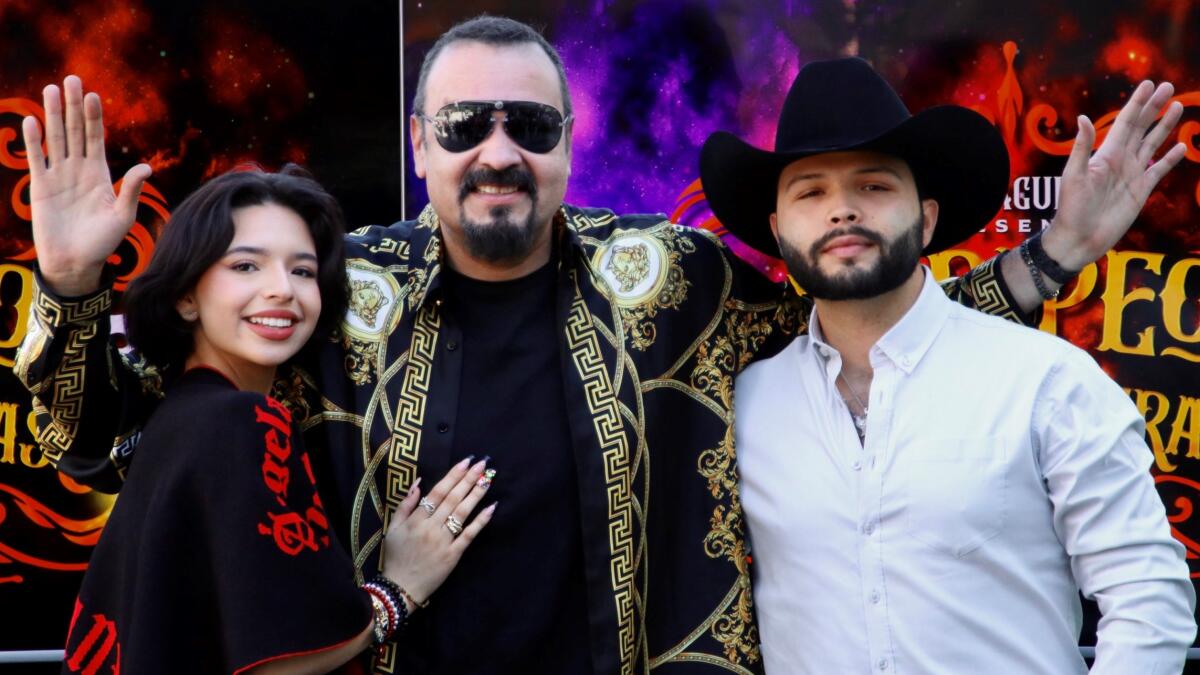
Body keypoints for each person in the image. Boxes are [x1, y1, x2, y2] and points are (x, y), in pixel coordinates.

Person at [17, 16, 1185, 674]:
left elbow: (864, 321)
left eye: (529, 124)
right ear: (421, 147)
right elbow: (104, 443)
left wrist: (1053, 258)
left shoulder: (670, 278)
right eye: (465, 126)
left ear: (568, 143)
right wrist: (68, 287)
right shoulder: (338, 287)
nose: (498, 151)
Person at [709, 57, 1196, 673]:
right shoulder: (740, 408)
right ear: (778, 231)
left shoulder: (1044, 380)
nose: (842, 210)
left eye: (874, 186)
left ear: (928, 219)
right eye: (811, 192)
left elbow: (1147, 600)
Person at [22, 139, 499, 670]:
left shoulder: (182, 415)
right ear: (185, 296)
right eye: (246, 266)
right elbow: (279, 662)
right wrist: (400, 587)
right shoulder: (243, 420)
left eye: (303, 271)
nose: (281, 290)